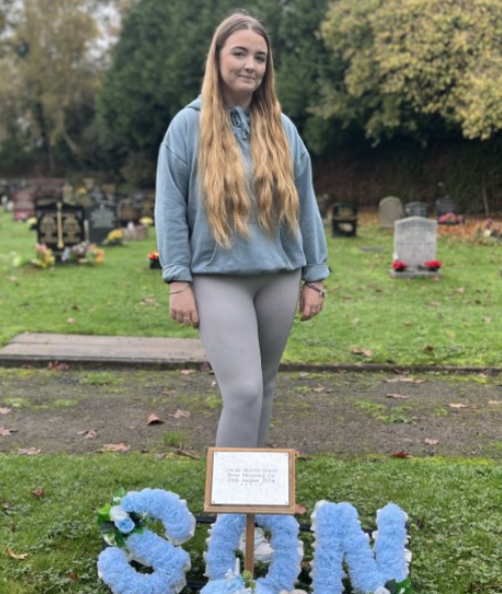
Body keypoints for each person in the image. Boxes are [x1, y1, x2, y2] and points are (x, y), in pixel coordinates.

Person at [155, 11, 329, 449]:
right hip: (218, 278)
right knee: (244, 391)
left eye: (260, 57)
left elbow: (305, 202)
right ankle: (231, 513)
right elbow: (170, 206)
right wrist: (178, 279)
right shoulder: (187, 126)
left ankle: (252, 508)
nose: (250, 65)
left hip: (279, 275)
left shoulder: (282, 128)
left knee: (265, 388)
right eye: (240, 53)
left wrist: (316, 277)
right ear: (217, 58)